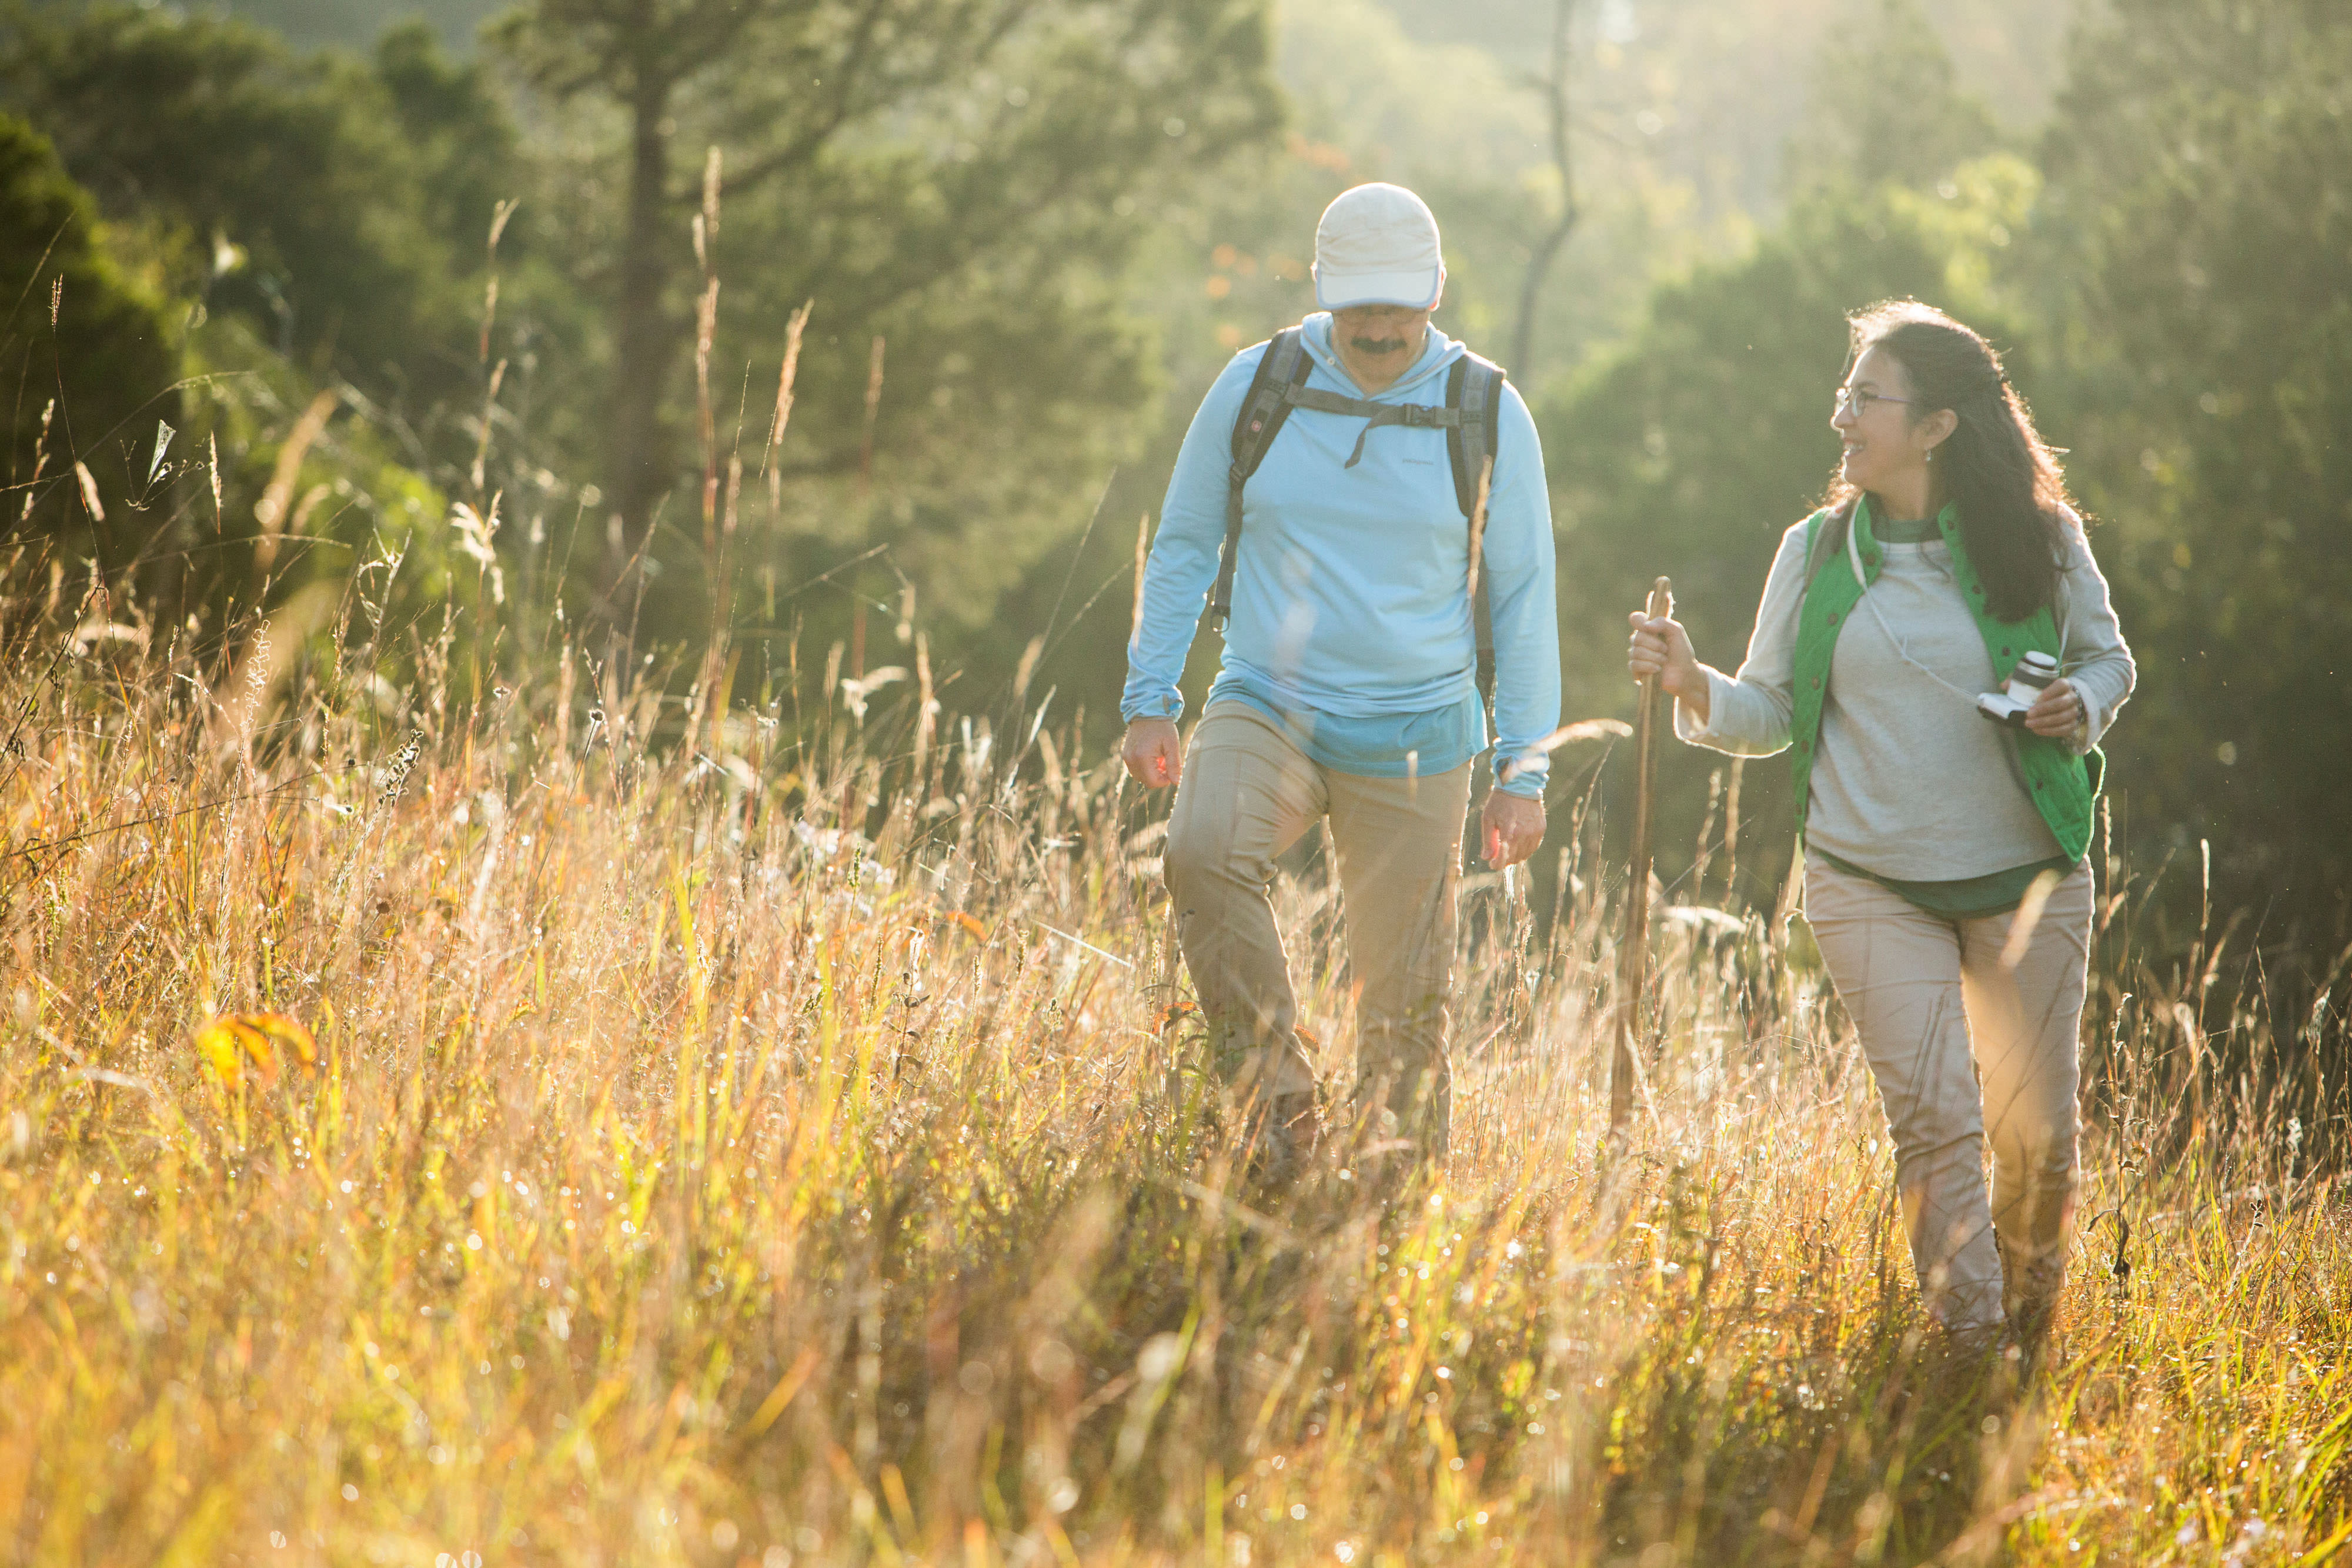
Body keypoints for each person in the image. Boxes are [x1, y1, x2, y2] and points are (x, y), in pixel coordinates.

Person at [1628, 299, 2134, 1343]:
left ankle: (2033, 1335)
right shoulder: (1814, 551)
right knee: (1938, 1125)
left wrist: (2077, 706)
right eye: (1844, 395)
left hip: (2028, 876)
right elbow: (1769, 714)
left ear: (1939, 424)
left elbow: (2109, 660)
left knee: (2036, 1144)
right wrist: (1691, 683)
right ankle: (1973, 1355)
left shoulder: (2040, 538)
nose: (1842, 419)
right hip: (1868, 879)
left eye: (1867, 399)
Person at [1121, 182, 1560, 1179]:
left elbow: (1526, 596)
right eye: (1358, 303)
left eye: (1398, 304)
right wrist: (1152, 694)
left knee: (1405, 1004)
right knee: (1199, 854)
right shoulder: (1258, 383)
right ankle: (1278, 1118)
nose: (1376, 327)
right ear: (1324, 290)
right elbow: (1187, 541)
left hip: (1418, 730)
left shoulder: (1485, 408)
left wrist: (1522, 768)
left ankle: (1392, 1207)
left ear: (1437, 291)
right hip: (1265, 702)